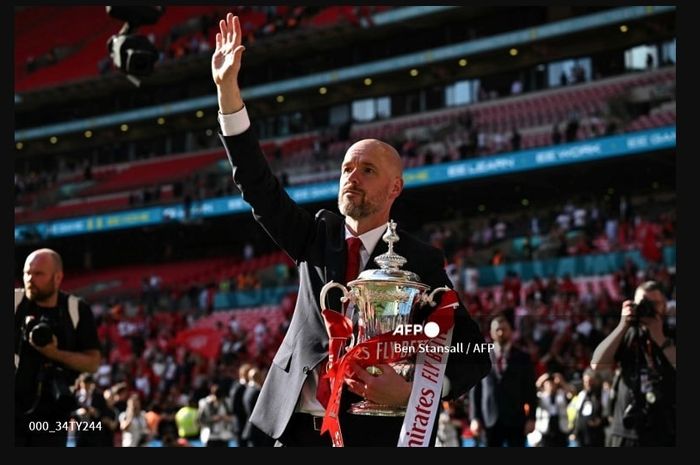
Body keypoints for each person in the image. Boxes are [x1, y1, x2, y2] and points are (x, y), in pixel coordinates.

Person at [211, 13, 491, 446]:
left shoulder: (419, 261)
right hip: (294, 425)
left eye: (367, 169)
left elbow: (473, 350)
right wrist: (228, 94)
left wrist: (418, 390)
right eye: (346, 168)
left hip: (371, 430)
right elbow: (256, 185)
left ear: (395, 187)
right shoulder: (315, 234)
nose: (351, 176)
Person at [14, 248, 101, 447]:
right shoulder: (15, 302)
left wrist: (54, 354)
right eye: (27, 272)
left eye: (38, 274)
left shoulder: (76, 310)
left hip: (53, 416)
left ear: (57, 277)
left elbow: (93, 363)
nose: (29, 279)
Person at [590, 280, 675, 446]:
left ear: (664, 306)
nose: (647, 308)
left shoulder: (672, 334)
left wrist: (659, 336)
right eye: (642, 303)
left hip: (665, 432)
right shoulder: (628, 334)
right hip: (626, 432)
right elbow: (597, 364)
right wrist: (623, 325)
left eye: (654, 304)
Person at [469, 313, 537, 447]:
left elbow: (530, 389)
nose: (500, 332)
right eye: (497, 330)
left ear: (511, 331)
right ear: (491, 333)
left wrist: (531, 418)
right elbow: (475, 390)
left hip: (516, 420)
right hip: (489, 420)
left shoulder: (523, 357)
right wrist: (474, 418)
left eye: (504, 329)